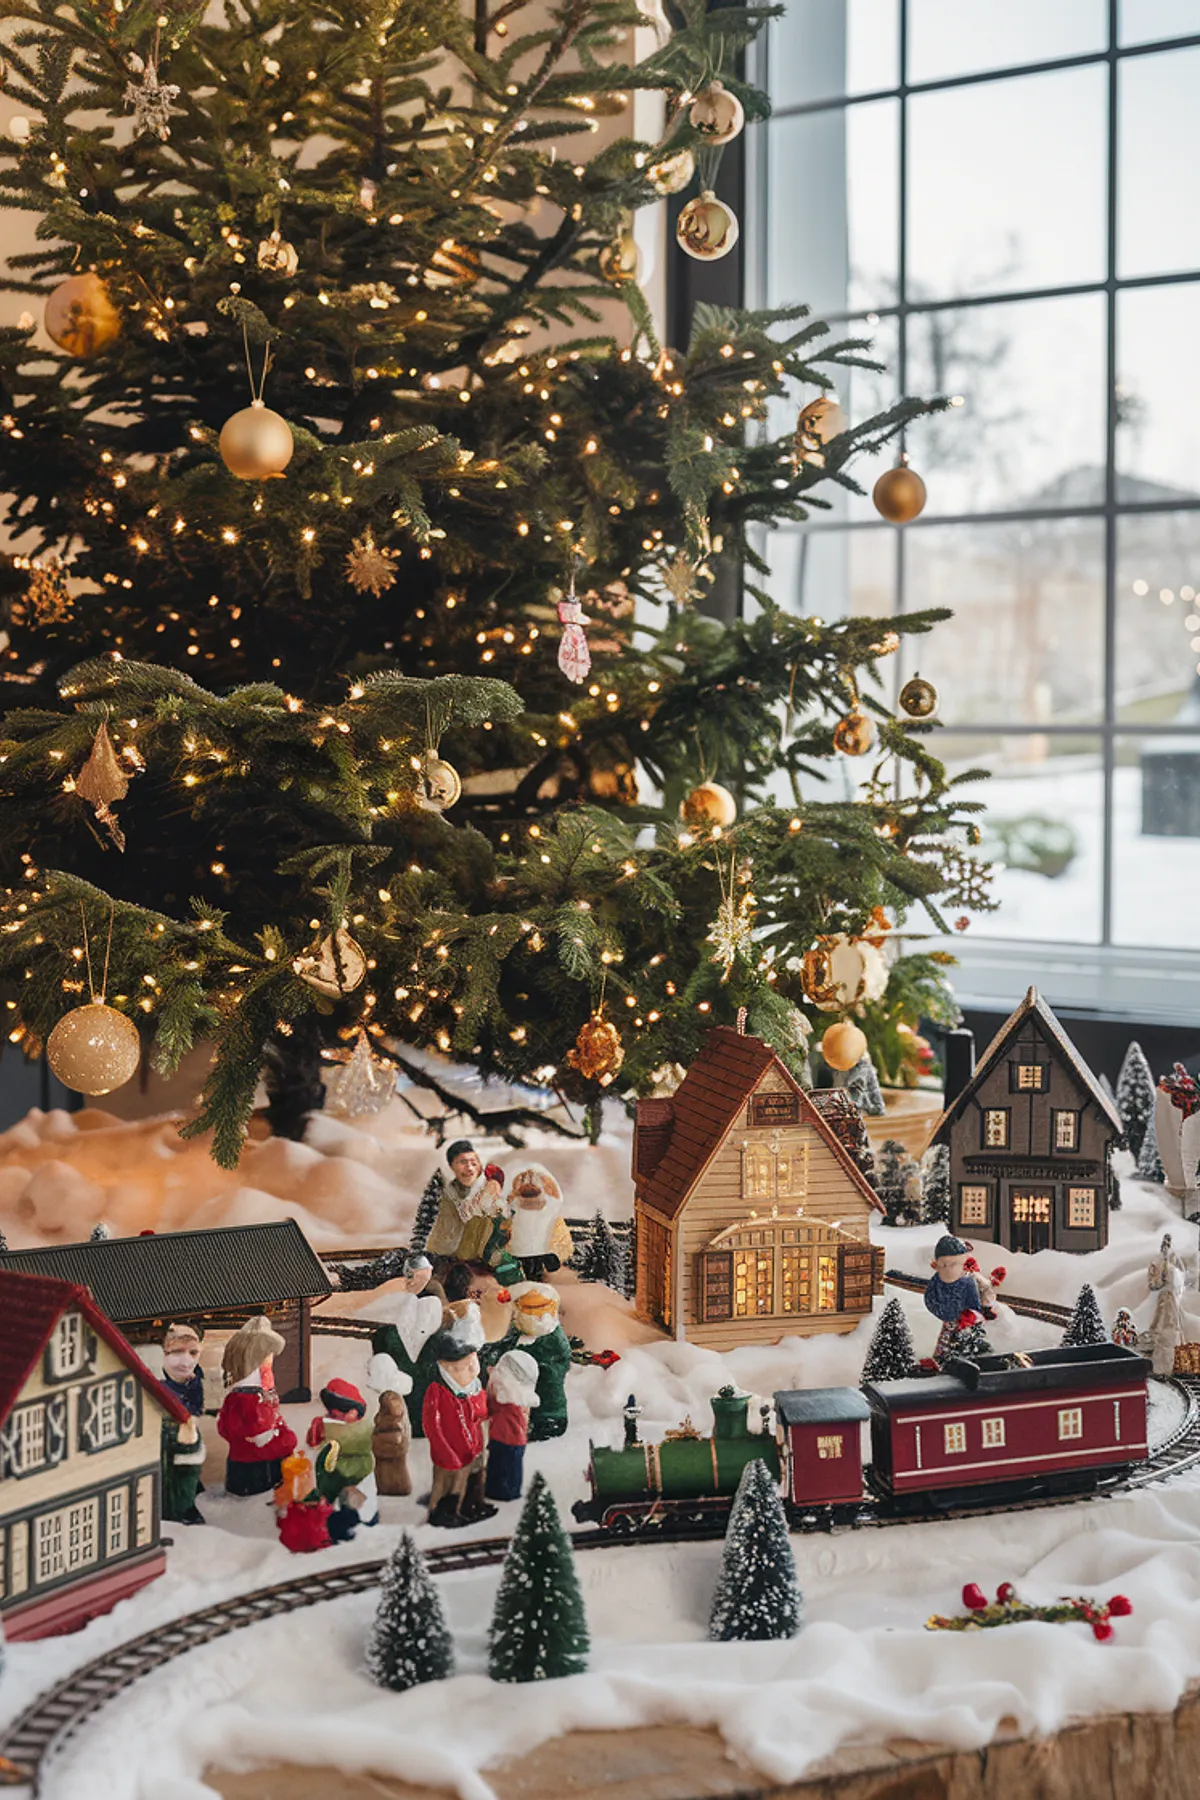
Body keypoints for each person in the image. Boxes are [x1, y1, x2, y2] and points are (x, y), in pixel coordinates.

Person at [422, 1318, 498, 1529]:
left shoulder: (474, 1387)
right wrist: (444, 1451)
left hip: (473, 1444)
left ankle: (472, 1505)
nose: (465, 1373)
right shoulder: (439, 1392)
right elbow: (433, 1426)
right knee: (449, 1483)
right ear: (444, 1368)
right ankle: (441, 1513)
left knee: (473, 1476)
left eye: (469, 1365)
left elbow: (481, 1411)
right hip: (450, 1450)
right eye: (456, 1369)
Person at [216, 1316, 298, 1497]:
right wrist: (288, 1439)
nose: (270, 1364)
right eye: (267, 1359)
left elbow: (223, 1428)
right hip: (259, 1473)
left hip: (238, 1466)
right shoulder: (253, 1401)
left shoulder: (234, 1398)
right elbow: (263, 1438)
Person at [482, 1282, 571, 1440]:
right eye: (529, 1311)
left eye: (540, 1311)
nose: (537, 1317)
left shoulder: (551, 1339)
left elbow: (552, 1364)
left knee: (548, 1390)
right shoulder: (520, 1331)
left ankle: (550, 1421)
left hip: (541, 1391)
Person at [485, 1163, 573, 1282]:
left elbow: (557, 1198)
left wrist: (539, 1177)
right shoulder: (514, 1207)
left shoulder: (547, 1209)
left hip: (537, 1252)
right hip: (519, 1253)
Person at [307, 1378, 378, 1525]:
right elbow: (314, 1444)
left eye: (336, 1414)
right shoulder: (328, 1426)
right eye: (331, 1414)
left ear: (353, 1412)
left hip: (355, 1481)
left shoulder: (361, 1431)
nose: (331, 1417)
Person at [427, 1140, 507, 1261]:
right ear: (451, 1166)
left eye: (474, 1163)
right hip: (448, 1255)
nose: (469, 1168)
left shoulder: (486, 1191)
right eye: (462, 1162)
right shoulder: (447, 1194)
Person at [923, 1234, 989, 1363]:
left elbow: (974, 1306)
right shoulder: (936, 1281)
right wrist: (941, 1314)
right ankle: (942, 1362)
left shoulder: (967, 1282)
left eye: (954, 1264)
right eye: (944, 1265)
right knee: (944, 1351)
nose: (949, 1269)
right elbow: (929, 1299)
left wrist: (969, 1318)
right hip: (946, 1325)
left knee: (966, 1351)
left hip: (965, 1326)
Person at [484, 1348, 539, 1502]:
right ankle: (500, 1488)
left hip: (506, 1439)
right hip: (504, 1438)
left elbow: (494, 1405)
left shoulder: (509, 1399)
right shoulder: (512, 1395)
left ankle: (505, 1491)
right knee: (502, 1464)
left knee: (506, 1466)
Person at [1147, 1232, 1186, 1376]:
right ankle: (1159, 1367)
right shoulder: (1159, 1262)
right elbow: (1154, 1283)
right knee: (1161, 1330)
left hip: (1172, 1299)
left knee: (1168, 1331)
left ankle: (1165, 1368)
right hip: (1165, 1299)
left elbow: (1180, 1281)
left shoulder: (1173, 1261)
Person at [160, 1323, 205, 1415]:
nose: (186, 1361)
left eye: (193, 1352)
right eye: (176, 1351)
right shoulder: (155, 1391)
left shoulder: (196, 1381)